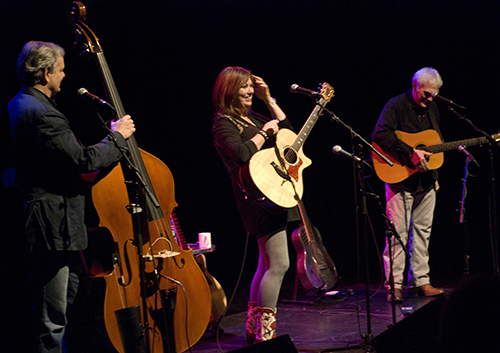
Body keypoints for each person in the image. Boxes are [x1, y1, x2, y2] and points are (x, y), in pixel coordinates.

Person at [8, 40, 135, 352]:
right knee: (52, 314)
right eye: (61, 71)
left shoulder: (20, 103)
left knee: (71, 293)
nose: (64, 76)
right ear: (47, 72)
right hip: (53, 223)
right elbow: (83, 159)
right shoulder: (42, 114)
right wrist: (117, 136)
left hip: (56, 221)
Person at [212, 66, 298, 343]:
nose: (250, 91)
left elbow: (288, 133)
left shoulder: (249, 118)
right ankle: (265, 332)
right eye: (244, 87)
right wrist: (264, 133)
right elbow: (239, 153)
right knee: (279, 264)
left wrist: (268, 98)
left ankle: (255, 329)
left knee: (266, 263)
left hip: (272, 193)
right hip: (256, 199)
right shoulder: (223, 123)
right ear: (229, 91)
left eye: (251, 86)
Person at [372, 67, 445, 303]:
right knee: (397, 234)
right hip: (399, 178)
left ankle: (421, 281)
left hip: (426, 181)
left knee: (423, 232)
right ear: (414, 87)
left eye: (433, 94)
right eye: (425, 93)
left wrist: (435, 176)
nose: (430, 98)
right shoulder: (396, 105)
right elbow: (380, 134)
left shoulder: (433, 108)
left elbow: (434, 142)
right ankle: (394, 284)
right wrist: (409, 152)